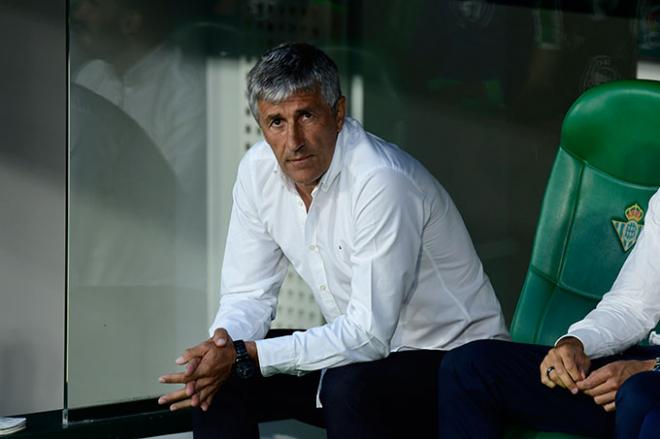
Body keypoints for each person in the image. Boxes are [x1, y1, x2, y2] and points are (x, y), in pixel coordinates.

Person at [158, 42, 509, 438]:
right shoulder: (258, 173)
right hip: (363, 356)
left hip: (450, 365)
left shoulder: (381, 181)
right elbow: (247, 294)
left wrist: (248, 354)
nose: (293, 141)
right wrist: (222, 347)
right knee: (221, 380)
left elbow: (369, 334)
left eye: (305, 116)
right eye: (276, 122)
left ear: (338, 114)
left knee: (349, 387)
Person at [438, 188, 660, 438]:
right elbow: (632, 304)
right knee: (471, 366)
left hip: (646, 381)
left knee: (638, 394)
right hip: (644, 366)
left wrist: (650, 368)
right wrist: (576, 343)